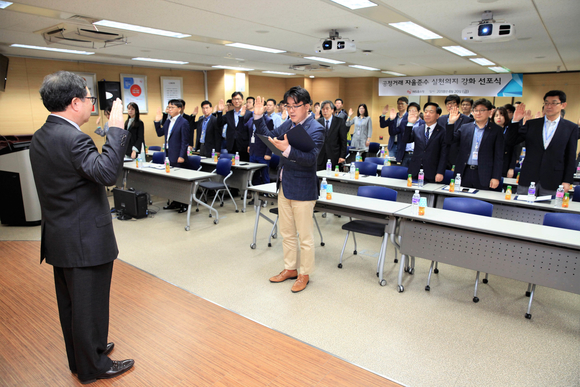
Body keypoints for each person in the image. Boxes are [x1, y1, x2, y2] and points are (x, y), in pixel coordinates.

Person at [29, 71, 134, 384]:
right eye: (89, 98)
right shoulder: (74, 138)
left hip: (61, 237)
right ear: (75, 103)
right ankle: (93, 367)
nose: (91, 103)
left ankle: (85, 353)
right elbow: (106, 174)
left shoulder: (42, 134)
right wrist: (115, 131)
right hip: (85, 239)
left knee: (73, 306)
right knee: (90, 305)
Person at [250, 87, 324, 293]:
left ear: (307, 106)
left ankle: (304, 273)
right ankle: (290, 268)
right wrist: (258, 117)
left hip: (303, 187)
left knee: (305, 237)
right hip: (284, 186)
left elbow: (311, 159)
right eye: (288, 106)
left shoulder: (316, 128)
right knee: (287, 233)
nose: (291, 110)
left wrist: (287, 149)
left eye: (295, 106)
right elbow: (268, 135)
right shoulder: (288, 124)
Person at [509, 90, 578, 196]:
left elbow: (570, 156)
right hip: (528, 177)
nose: (549, 106)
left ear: (563, 105)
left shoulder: (570, 128)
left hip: (553, 179)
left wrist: (567, 181)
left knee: (547, 209)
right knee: (523, 208)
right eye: (546, 103)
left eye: (554, 103)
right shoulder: (532, 124)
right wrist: (515, 121)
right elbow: (510, 141)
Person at [446, 99, 504, 191]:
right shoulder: (465, 128)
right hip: (464, 171)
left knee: (480, 201)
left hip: (484, 173)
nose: (478, 113)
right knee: (462, 201)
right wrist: (451, 123)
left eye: (482, 110)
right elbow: (449, 141)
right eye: (476, 110)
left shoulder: (496, 130)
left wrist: (496, 177)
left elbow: (499, 156)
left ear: (489, 112)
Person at [154, 99, 191, 212]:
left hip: (178, 156)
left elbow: (185, 141)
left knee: (180, 182)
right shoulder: (168, 121)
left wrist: (182, 156)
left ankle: (184, 204)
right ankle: (175, 202)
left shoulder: (183, 122)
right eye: (168, 107)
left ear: (179, 109)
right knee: (172, 182)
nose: (169, 109)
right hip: (169, 155)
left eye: (172, 107)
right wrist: (156, 122)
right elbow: (160, 133)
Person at [402, 102, 447, 183]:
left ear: (437, 115)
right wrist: (410, 123)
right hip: (415, 170)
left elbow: (444, 154)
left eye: (431, 112)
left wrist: (440, 172)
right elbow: (406, 139)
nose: (427, 114)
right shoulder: (418, 129)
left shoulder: (442, 131)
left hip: (432, 171)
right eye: (426, 112)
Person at [438, 94, 474, 169]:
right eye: (448, 103)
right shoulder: (441, 119)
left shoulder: (467, 120)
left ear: (458, 105)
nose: (450, 105)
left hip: (457, 155)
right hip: (441, 154)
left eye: (453, 103)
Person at [217, 91, 252, 161]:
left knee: (243, 165)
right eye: (234, 99)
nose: (236, 101)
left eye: (238, 99)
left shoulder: (248, 114)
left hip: (243, 145)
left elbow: (250, 131)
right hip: (231, 144)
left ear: (242, 100)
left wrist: (250, 144)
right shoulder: (229, 114)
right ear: (232, 101)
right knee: (232, 166)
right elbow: (219, 124)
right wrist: (220, 111)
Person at [316, 100, 348, 170]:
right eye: (323, 109)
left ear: (332, 110)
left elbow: (343, 140)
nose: (325, 111)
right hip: (320, 157)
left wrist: (342, 156)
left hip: (335, 156)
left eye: (327, 109)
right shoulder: (318, 122)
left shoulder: (339, 121)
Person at [380, 97, 408, 163]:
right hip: (393, 145)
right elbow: (383, 125)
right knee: (391, 164)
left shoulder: (409, 117)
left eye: (402, 103)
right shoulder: (394, 116)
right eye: (398, 103)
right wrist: (383, 114)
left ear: (407, 105)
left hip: (403, 145)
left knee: (401, 164)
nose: (400, 105)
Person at [493, 107, 519, 177]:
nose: (499, 118)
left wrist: (511, 168)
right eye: (496, 115)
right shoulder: (490, 130)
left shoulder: (510, 130)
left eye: (502, 115)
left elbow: (514, 150)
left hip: (505, 165)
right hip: (491, 164)